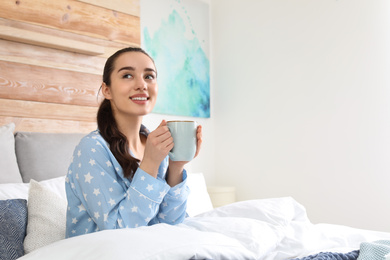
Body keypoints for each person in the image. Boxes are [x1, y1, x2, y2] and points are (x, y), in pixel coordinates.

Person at [65, 47, 202, 238]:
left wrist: (176, 167)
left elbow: (171, 226)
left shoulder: (155, 146)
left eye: (149, 76)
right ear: (107, 90)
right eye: (128, 75)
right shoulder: (92, 148)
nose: (141, 84)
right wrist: (150, 164)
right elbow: (118, 232)